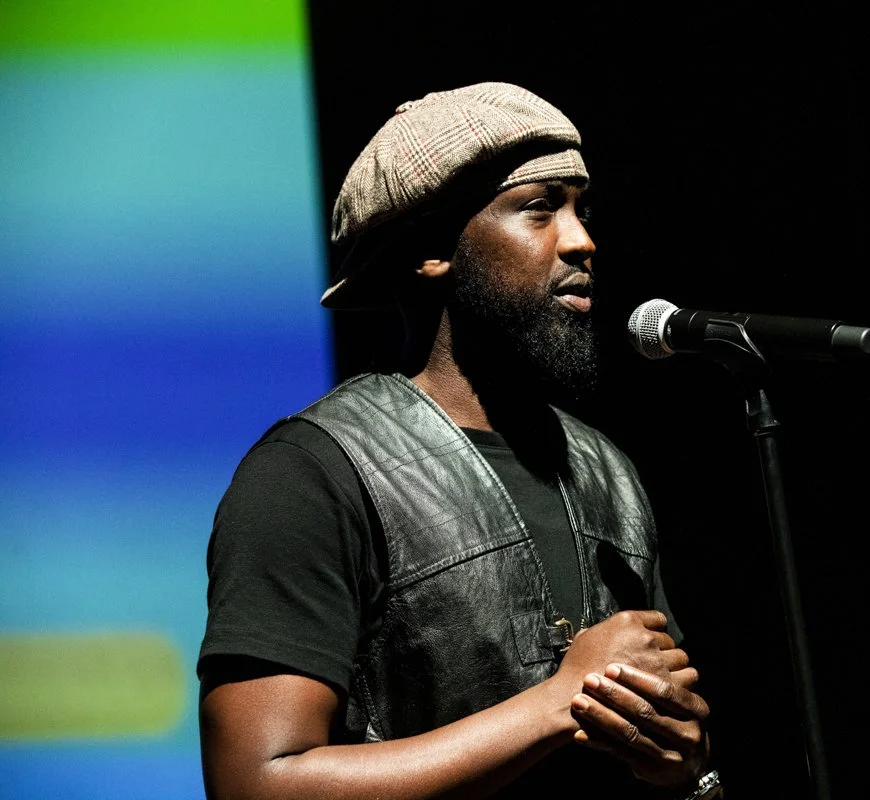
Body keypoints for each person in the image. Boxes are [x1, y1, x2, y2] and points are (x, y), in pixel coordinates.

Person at [197, 81, 723, 800]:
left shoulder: (608, 473)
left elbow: (664, 735)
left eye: (581, 208)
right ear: (429, 251)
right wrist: (560, 701)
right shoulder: (313, 472)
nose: (581, 240)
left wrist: (683, 762)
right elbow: (256, 783)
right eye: (539, 208)